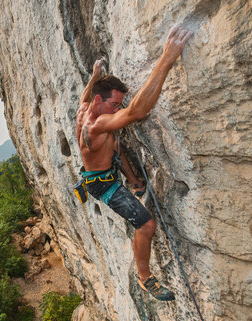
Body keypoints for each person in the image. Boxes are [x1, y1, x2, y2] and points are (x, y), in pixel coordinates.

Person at [75, 24, 193, 301]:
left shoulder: (84, 109)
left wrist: (94, 76)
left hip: (103, 170)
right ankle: (145, 278)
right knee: (146, 226)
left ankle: (134, 181)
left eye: (119, 104)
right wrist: (167, 58)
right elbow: (137, 112)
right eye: (115, 104)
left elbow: (84, 96)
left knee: (116, 145)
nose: (118, 108)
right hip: (104, 186)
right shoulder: (98, 125)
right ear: (100, 102)